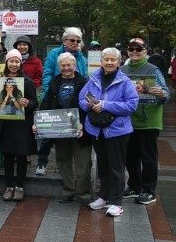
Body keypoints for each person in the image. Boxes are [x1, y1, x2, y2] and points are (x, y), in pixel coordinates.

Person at [80, 47, 139, 217]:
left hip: (117, 131)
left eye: (113, 60)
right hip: (97, 129)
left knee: (116, 167)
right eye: (106, 59)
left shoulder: (125, 81)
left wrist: (105, 105)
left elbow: (131, 105)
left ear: (119, 62)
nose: (110, 62)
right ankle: (103, 196)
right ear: (101, 62)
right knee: (103, 165)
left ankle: (116, 201)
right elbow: (82, 98)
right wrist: (89, 105)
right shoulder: (93, 78)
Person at [121, 38, 168, 205]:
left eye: (138, 49)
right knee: (130, 156)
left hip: (149, 121)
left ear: (145, 52)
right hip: (128, 121)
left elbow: (165, 93)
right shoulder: (122, 70)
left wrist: (160, 93)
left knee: (148, 157)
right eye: (131, 48)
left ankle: (149, 190)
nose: (134, 51)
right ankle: (134, 185)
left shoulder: (153, 70)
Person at [38, 52, 91, 204]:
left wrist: (84, 124)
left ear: (75, 66)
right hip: (60, 129)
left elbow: (90, 105)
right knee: (63, 160)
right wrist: (39, 122)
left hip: (81, 129)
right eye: (63, 65)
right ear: (59, 67)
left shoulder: (85, 82)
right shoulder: (54, 83)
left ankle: (83, 194)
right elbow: (46, 104)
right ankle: (68, 191)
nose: (66, 68)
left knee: (83, 163)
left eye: (69, 65)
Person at [37, 27, 89, 176]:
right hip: (55, 96)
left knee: (73, 133)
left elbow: (84, 75)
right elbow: (47, 74)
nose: (76, 43)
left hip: (74, 99)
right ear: (65, 41)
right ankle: (42, 162)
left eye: (78, 41)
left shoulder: (81, 57)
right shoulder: (54, 54)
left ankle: (70, 168)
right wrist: (48, 93)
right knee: (48, 132)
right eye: (72, 40)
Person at [0, 50, 38, 202]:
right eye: (11, 61)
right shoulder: (0, 80)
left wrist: (28, 103)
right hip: (5, 124)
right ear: (6, 63)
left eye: (16, 61)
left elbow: (35, 103)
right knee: (7, 156)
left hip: (22, 125)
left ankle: (19, 187)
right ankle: (9, 186)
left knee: (21, 156)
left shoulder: (26, 81)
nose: (14, 64)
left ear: (21, 63)